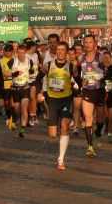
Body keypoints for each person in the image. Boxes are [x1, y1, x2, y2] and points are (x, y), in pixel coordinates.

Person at [40, 41, 76, 170]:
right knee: (53, 134)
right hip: (52, 100)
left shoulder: (72, 66)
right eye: (58, 50)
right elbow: (41, 78)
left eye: (63, 50)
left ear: (66, 52)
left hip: (66, 99)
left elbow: (77, 81)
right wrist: (41, 93)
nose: (60, 52)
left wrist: (78, 87)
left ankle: (60, 159)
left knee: (65, 126)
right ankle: (56, 125)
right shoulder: (48, 65)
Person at [78, 35, 104, 157]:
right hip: (88, 91)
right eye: (86, 42)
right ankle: (90, 146)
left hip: (100, 91)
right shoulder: (81, 58)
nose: (88, 44)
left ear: (95, 44)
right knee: (88, 118)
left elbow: (108, 71)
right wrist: (81, 82)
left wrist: (99, 76)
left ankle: (99, 129)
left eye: (90, 42)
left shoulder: (101, 57)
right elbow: (78, 75)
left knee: (100, 119)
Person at [7, 44, 35, 137]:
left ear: (25, 52)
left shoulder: (29, 61)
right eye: (19, 52)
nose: (21, 55)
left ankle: (22, 130)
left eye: (22, 53)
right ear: (16, 52)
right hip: (15, 88)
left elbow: (32, 74)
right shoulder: (12, 61)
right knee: (17, 108)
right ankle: (15, 118)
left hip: (25, 88)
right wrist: (14, 73)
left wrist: (31, 85)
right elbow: (6, 74)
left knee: (24, 108)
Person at [0, 44, 15, 130]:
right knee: (6, 103)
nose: (8, 53)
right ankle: (8, 116)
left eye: (10, 51)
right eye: (6, 51)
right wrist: (12, 74)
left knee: (13, 103)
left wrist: (9, 74)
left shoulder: (16, 60)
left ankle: (12, 119)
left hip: (14, 85)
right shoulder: (1, 61)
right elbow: (3, 73)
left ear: (12, 52)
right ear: (4, 51)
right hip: (5, 85)